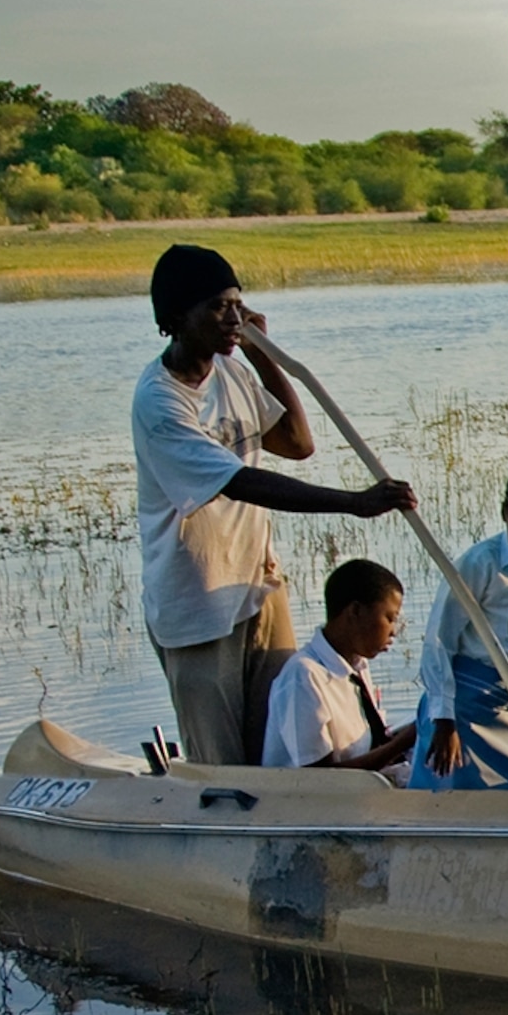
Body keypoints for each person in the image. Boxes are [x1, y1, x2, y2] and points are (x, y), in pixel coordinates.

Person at [131, 243, 415, 767]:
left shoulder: (231, 372)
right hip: (196, 604)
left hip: (257, 587)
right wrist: (354, 503)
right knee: (223, 764)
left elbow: (296, 442)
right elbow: (240, 482)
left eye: (238, 304)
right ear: (174, 319)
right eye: (218, 307)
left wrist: (261, 353)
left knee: (275, 749)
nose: (233, 317)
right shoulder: (159, 402)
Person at [408, 464, 508, 791]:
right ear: (504, 515)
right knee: (452, 795)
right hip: (464, 708)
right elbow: (439, 641)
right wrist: (444, 721)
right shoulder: (480, 563)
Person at [262, 559, 417, 779]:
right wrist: (404, 742)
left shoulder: (357, 667)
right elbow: (321, 780)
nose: (393, 632)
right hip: (318, 805)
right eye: (389, 618)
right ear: (355, 611)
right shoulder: (304, 676)